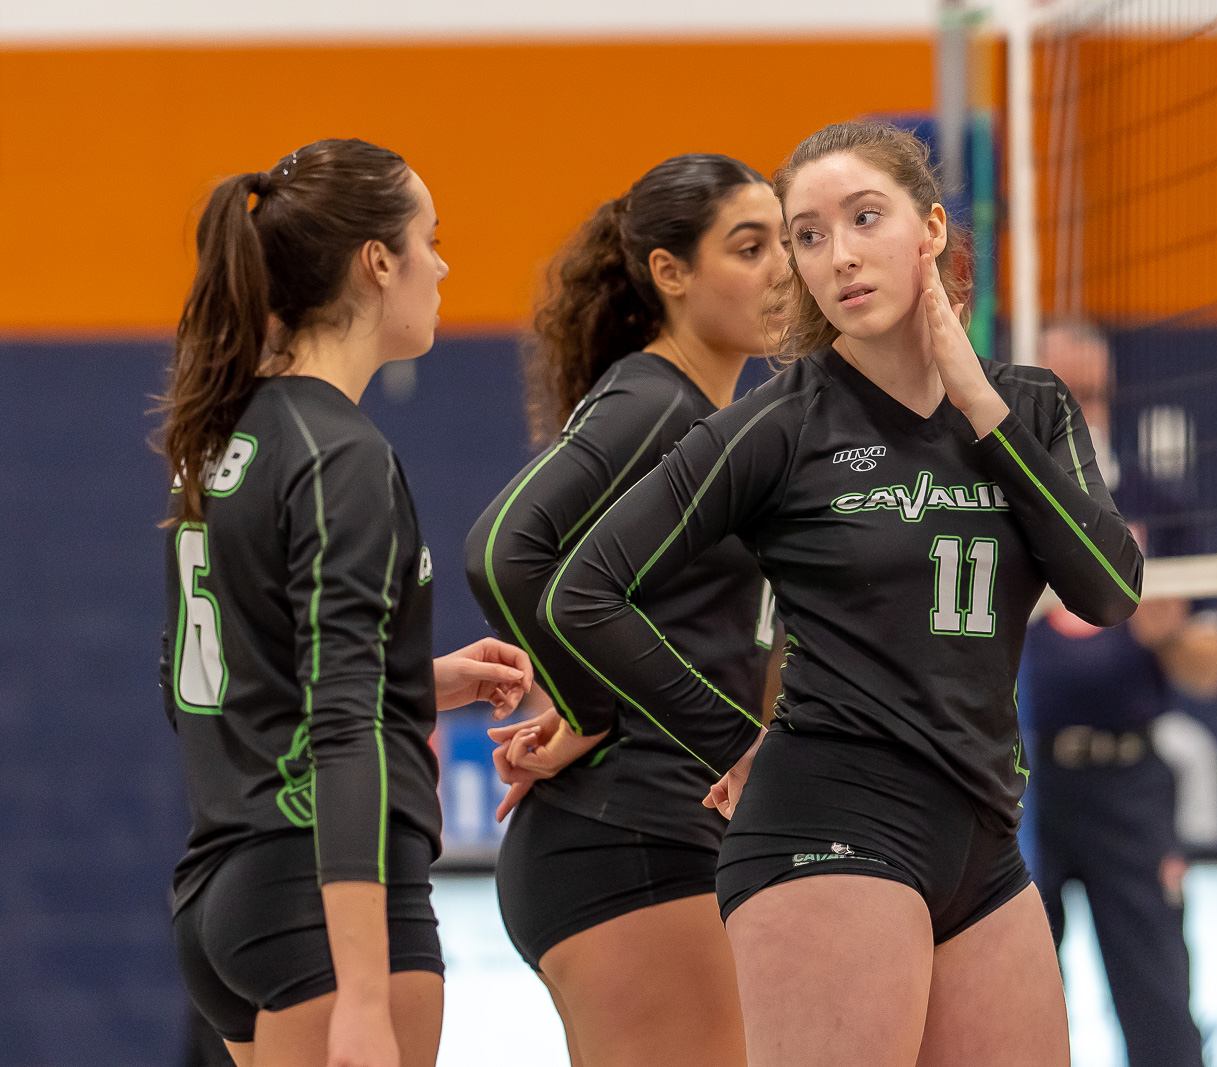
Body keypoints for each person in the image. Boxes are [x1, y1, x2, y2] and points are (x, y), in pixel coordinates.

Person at [542, 121, 1143, 1067]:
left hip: (984, 837)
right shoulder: (779, 423)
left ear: (931, 229)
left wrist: (978, 408)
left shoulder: (1028, 406)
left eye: (865, 218)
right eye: (808, 235)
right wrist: (731, 739)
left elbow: (1108, 591)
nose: (840, 255)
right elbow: (581, 590)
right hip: (827, 821)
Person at [158, 139, 533, 1067]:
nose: (442, 266)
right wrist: (364, 993)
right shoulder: (339, 453)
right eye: (429, 240)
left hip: (228, 886)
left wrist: (417, 677)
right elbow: (341, 725)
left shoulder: (225, 436)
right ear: (377, 262)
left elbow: (223, 673)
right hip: (322, 902)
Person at [462, 154, 787, 1067]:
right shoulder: (654, 399)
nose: (779, 271)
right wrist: (590, 709)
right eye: (748, 247)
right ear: (670, 273)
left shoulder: (726, 419)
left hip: (662, 833)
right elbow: (501, 548)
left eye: (782, 244)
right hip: (626, 836)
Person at [1017, 321, 1217, 1067]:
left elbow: (1211, 664)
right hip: (1021, 783)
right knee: (1016, 1004)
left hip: (1127, 783)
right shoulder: (998, 498)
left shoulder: (1151, 498)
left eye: (1094, 392)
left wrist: (1165, 632)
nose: (1080, 407)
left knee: (1159, 1004)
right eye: (1061, 389)